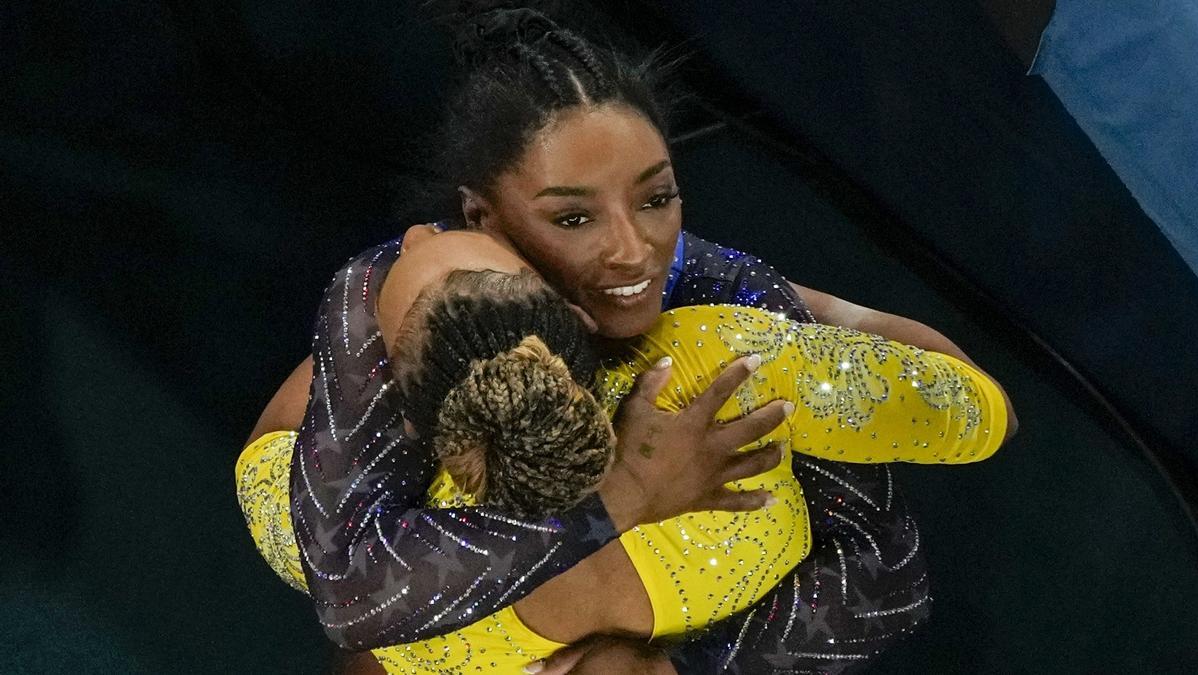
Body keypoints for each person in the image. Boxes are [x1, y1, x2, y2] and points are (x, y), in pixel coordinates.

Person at [246, 6, 1018, 672]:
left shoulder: (714, 305)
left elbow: (886, 574)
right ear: (484, 217)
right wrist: (623, 499)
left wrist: (676, 668)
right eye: (573, 217)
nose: (632, 250)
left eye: (657, 197)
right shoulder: (399, 298)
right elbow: (353, 593)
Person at [238, 231, 1010, 673]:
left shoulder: (342, 554)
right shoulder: (711, 361)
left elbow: (282, 467)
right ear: (579, 311)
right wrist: (752, 293)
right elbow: (981, 409)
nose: (414, 236)